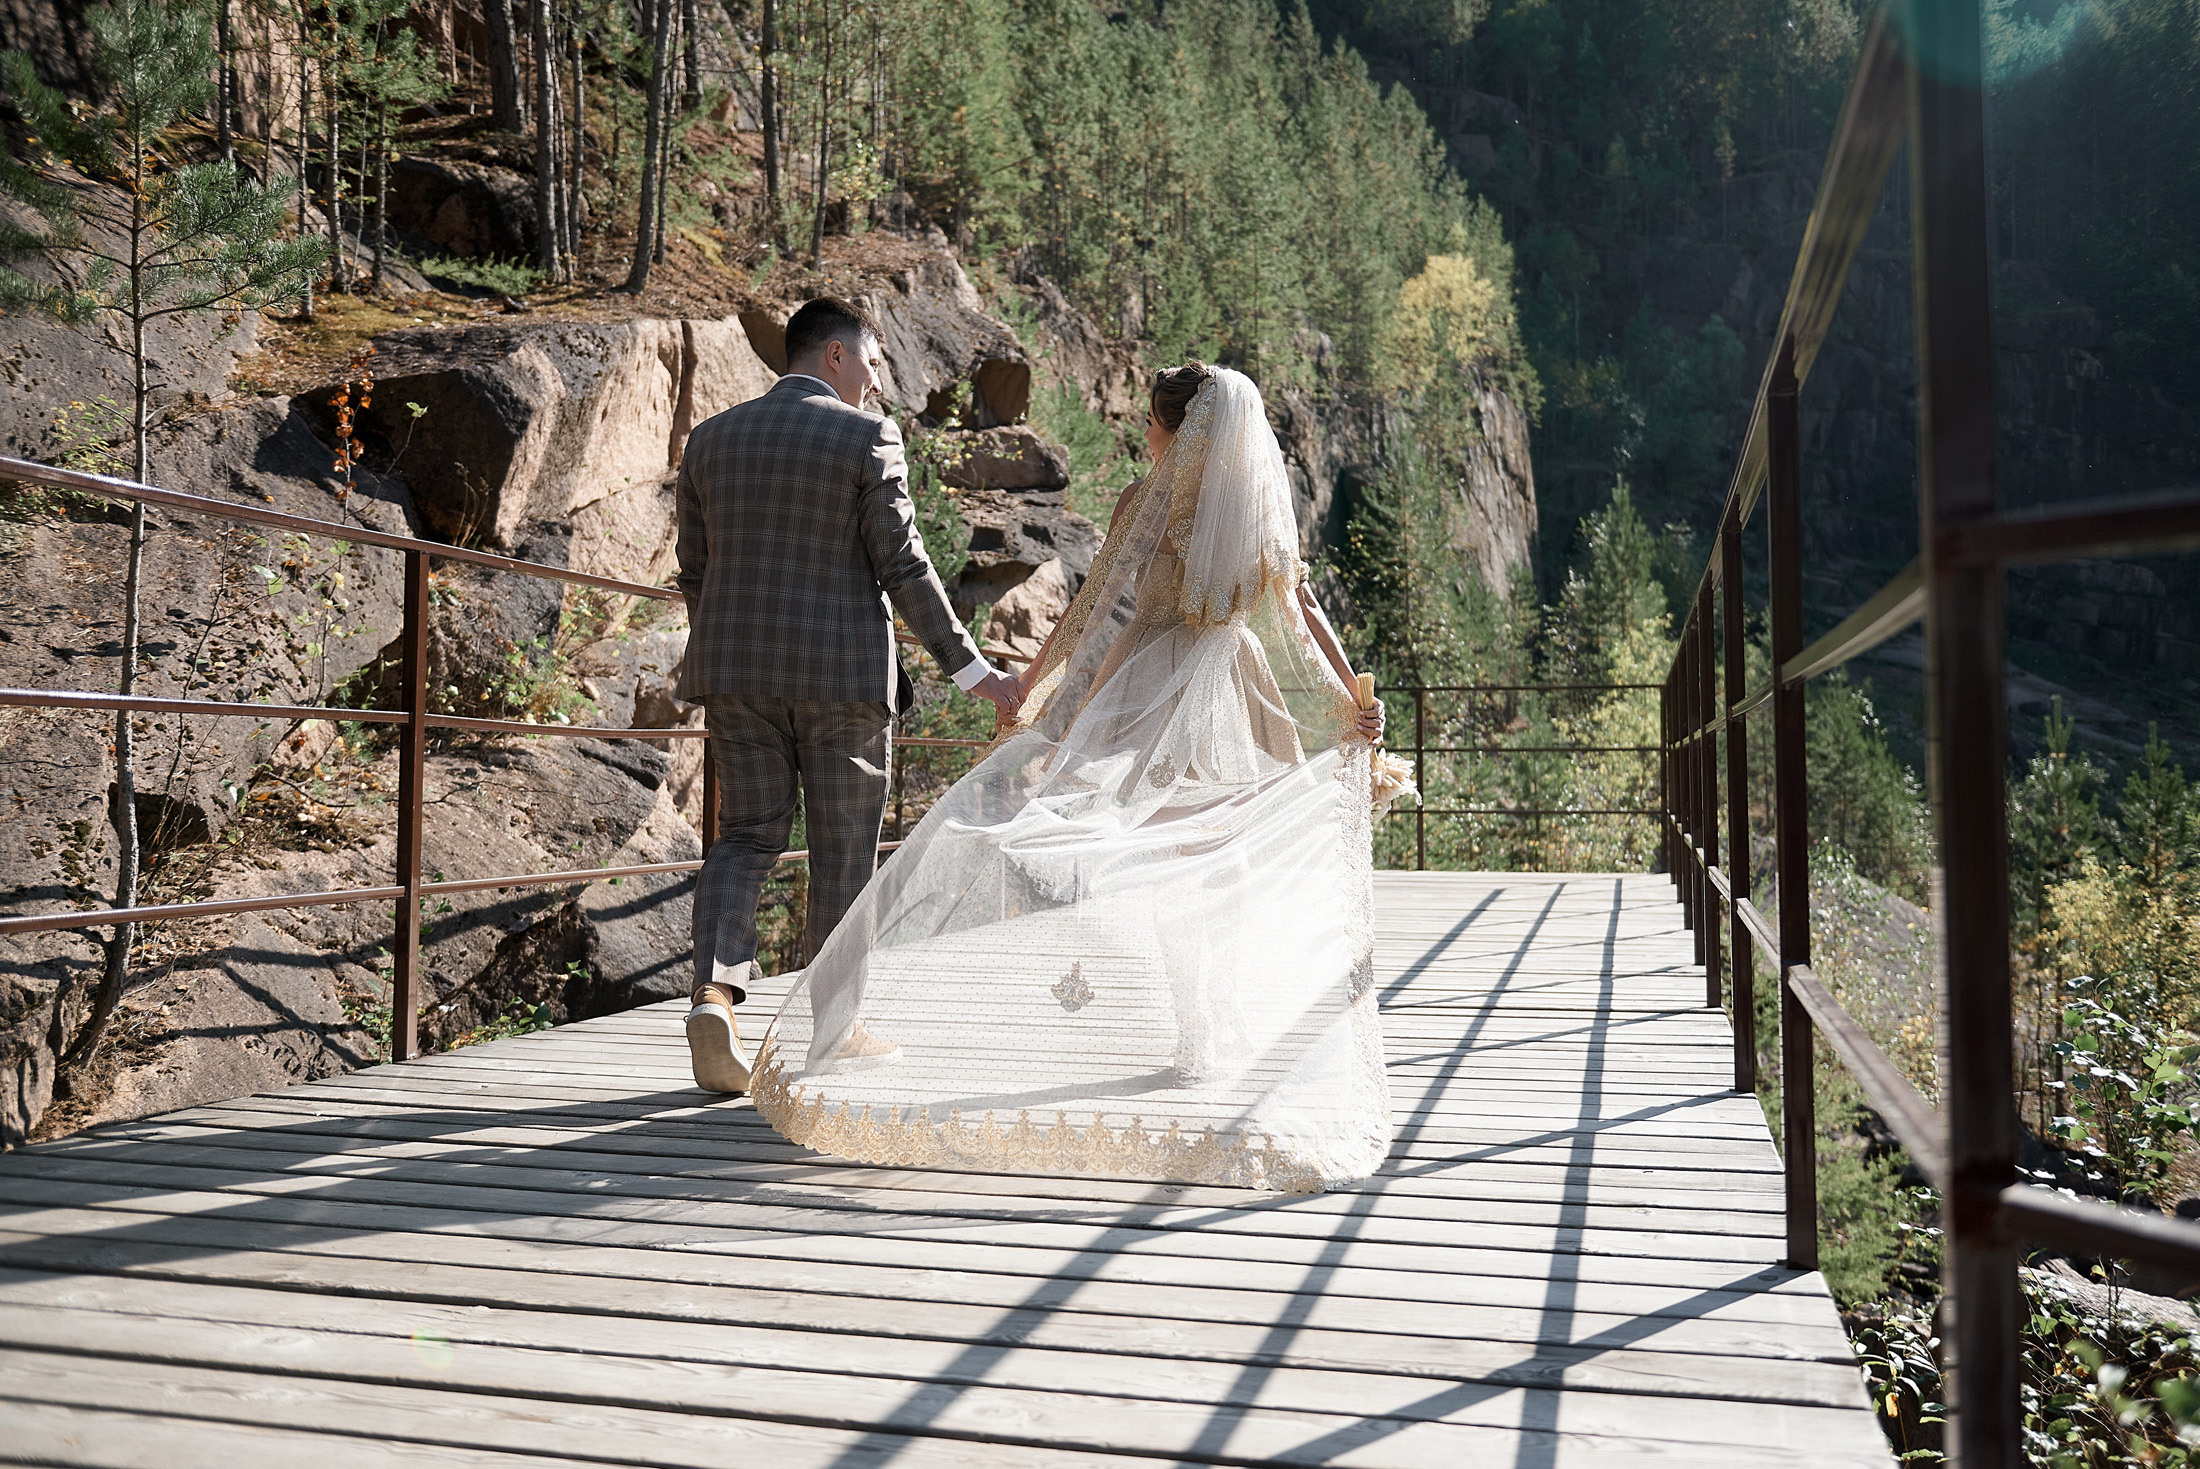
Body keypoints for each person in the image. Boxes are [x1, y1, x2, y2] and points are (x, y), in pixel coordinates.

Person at [748, 362, 1402, 1191]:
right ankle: (1210, 1021)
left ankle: (1199, 1025)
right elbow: (1302, 614)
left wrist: (1040, 690)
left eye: (1153, 422)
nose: (1147, 434)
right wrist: (1353, 699)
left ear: (1182, 431)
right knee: (1219, 859)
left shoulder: (1157, 501)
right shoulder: (1249, 507)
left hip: (1161, 683)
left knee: (1181, 859)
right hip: (1228, 685)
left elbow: (1093, 614)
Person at [674, 295, 1019, 1093]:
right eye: (871, 361)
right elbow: (903, 563)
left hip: (736, 674)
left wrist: (732, 647)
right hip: (842, 679)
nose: (876, 381)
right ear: (835, 354)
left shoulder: (710, 439)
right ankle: (832, 1029)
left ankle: (714, 997)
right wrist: (976, 672)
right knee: (843, 850)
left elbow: (695, 569)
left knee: (745, 836)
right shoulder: (866, 436)